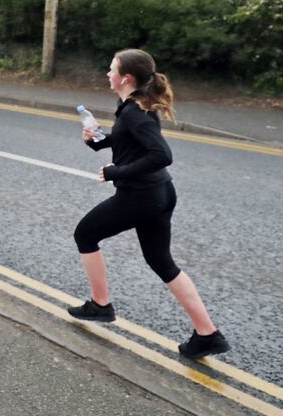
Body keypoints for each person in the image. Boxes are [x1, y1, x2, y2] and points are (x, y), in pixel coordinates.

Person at [68, 48, 230, 360]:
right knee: (161, 262)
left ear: (125, 78)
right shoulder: (130, 106)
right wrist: (97, 141)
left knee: (85, 234)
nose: (107, 74)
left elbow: (161, 155)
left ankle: (101, 305)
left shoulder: (134, 112)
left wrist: (117, 171)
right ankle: (207, 335)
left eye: (111, 69)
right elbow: (126, 141)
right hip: (160, 194)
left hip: (140, 197)